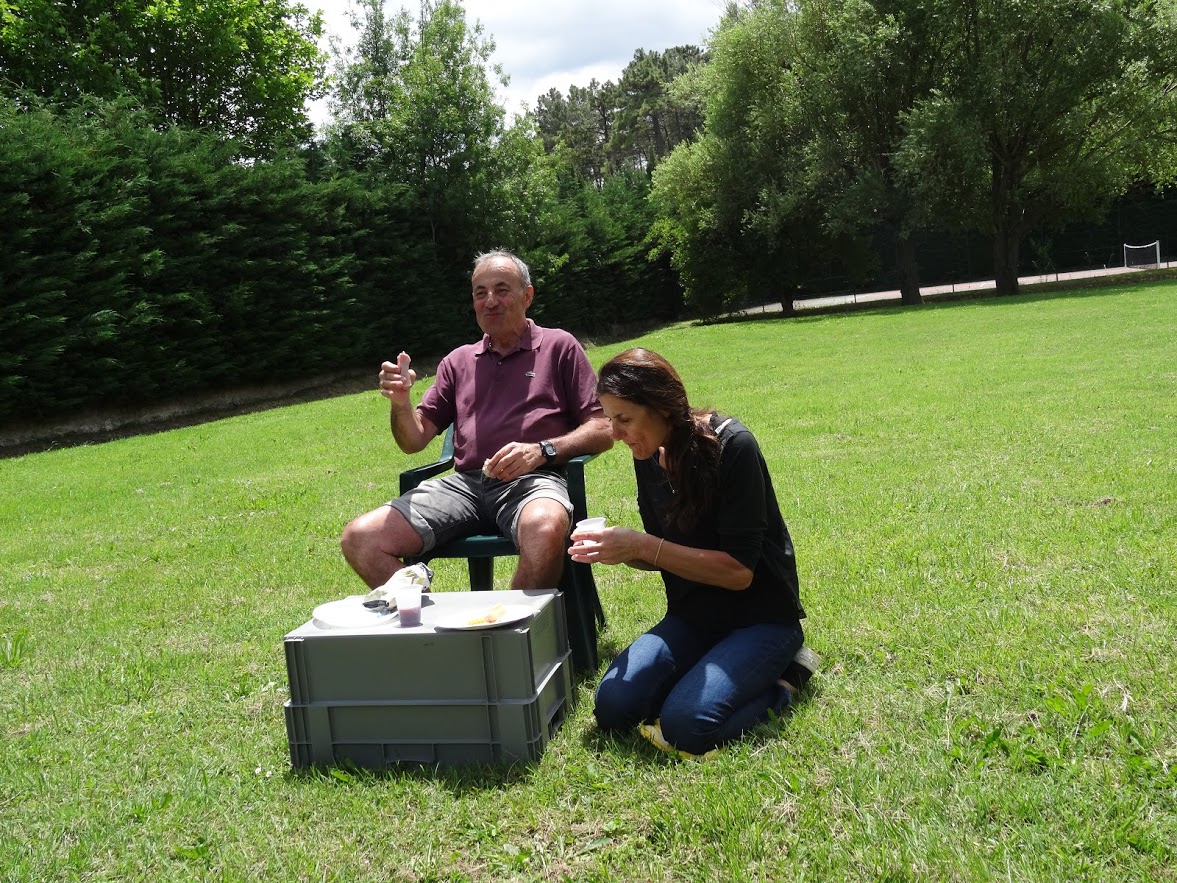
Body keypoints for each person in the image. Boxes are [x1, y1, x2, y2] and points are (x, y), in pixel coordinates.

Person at [568, 347, 817, 757]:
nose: (614, 432)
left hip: (761, 619)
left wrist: (643, 544)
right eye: (609, 419)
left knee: (687, 727)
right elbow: (660, 553)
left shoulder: (734, 446)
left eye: (624, 419)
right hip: (694, 616)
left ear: (662, 407)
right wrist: (618, 549)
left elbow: (739, 573)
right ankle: (705, 676)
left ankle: (788, 676)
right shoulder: (647, 452)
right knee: (613, 708)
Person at [341, 250, 613, 590]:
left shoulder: (559, 347)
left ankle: (508, 637)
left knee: (545, 529)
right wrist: (400, 403)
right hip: (465, 487)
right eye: (480, 292)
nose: (490, 301)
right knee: (360, 539)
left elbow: (603, 427)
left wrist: (542, 450)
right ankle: (439, 635)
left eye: (502, 289)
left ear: (527, 295)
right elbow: (413, 441)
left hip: (532, 481)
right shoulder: (458, 361)